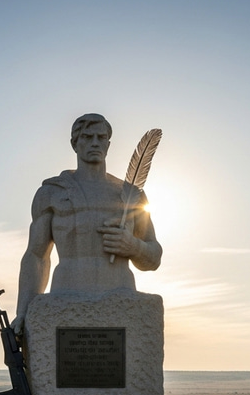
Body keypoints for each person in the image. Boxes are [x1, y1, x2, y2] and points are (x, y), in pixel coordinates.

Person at [12, 114, 162, 333]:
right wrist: (24, 312)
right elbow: (36, 256)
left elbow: (154, 257)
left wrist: (134, 246)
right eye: (87, 136)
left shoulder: (131, 195)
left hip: (120, 297)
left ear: (108, 144)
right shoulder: (51, 193)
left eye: (101, 137)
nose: (95, 142)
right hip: (65, 295)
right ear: (75, 143)